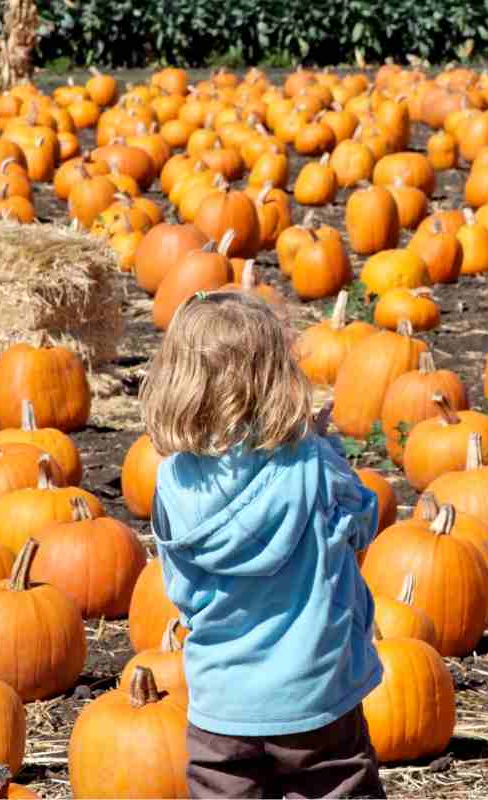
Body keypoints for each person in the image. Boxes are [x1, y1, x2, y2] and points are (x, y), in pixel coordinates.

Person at [140, 290, 385, 799]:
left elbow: (181, 591)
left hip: (221, 704)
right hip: (316, 694)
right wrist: (328, 447)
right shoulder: (312, 464)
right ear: (278, 377)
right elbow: (363, 523)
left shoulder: (171, 481)